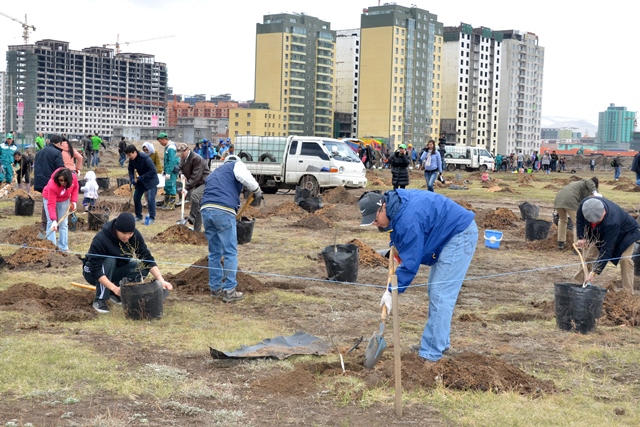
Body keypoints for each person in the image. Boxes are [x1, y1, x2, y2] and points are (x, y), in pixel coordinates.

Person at [358, 190, 478, 362]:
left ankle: (431, 353)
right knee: (435, 291)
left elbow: (411, 263)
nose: (375, 224)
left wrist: (392, 291)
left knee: (441, 293)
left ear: (382, 207)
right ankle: (438, 343)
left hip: (459, 234)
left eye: (375, 219)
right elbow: (401, 236)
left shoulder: (407, 218)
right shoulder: (395, 207)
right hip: (446, 235)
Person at [200, 155, 263, 302]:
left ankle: (215, 288)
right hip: (223, 210)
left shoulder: (214, 173)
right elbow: (244, 176)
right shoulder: (236, 165)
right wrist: (257, 189)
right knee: (230, 252)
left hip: (206, 210)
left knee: (214, 252)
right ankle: (229, 290)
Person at [83, 212, 173, 313]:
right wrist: (113, 287)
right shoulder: (101, 239)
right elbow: (95, 269)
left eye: (130, 233)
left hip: (115, 269)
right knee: (109, 260)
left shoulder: (134, 236)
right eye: (123, 233)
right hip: (92, 273)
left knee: (141, 267)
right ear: (116, 229)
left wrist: (161, 280)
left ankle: (115, 294)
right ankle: (100, 299)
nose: (127, 237)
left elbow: (146, 258)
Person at [574, 197, 640, 294]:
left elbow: (606, 249)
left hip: (626, 233)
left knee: (625, 260)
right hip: (602, 232)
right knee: (590, 257)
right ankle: (578, 284)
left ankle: (628, 293)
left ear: (604, 212)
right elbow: (579, 221)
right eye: (593, 221)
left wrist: (594, 273)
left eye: (597, 220)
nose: (595, 222)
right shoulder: (584, 206)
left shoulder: (612, 221)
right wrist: (581, 237)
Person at [554, 177, 600, 250]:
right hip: (570, 200)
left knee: (562, 220)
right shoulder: (587, 183)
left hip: (558, 199)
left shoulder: (577, 185)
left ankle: (561, 243)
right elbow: (588, 181)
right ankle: (578, 246)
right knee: (577, 223)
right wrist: (595, 192)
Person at [34, 134, 65, 235]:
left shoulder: (39, 152)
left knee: (46, 201)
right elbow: (60, 169)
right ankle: (53, 223)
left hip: (40, 180)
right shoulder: (56, 153)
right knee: (53, 202)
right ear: (59, 143)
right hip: (50, 182)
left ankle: (45, 223)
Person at [42, 167, 79, 252]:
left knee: (64, 223)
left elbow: (75, 188)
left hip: (64, 200)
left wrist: (74, 201)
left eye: (64, 181)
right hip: (49, 198)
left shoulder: (74, 179)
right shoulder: (52, 184)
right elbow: (51, 205)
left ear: (69, 180)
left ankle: (63, 247)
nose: (62, 183)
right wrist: (54, 220)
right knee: (51, 223)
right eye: (60, 180)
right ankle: (52, 247)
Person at [177, 142, 210, 232]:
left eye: (182, 153)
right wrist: (181, 174)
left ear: (187, 150)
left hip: (204, 182)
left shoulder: (196, 159)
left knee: (194, 195)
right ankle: (197, 230)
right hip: (195, 183)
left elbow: (196, 176)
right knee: (198, 207)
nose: (180, 156)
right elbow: (179, 167)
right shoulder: (183, 158)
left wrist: (186, 188)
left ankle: (192, 216)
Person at [125, 144, 159, 224]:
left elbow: (153, 170)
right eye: (128, 156)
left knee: (150, 199)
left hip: (151, 180)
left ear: (134, 152)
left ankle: (151, 218)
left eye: (130, 155)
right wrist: (132, 178)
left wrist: (143, 177)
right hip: (141, 180)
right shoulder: (132, 159)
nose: (129, 157)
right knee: (136, 197)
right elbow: (130, 168)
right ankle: (138, 216)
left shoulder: (145, 158)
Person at [157, 132, 179, 210]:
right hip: (169, 170)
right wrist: (165, 170)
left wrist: (168, 172)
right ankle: (166, 203)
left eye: (160, 141)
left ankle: (171, 204)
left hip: (172, 170)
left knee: (171, 185)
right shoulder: (167, 147)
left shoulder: (171, 148)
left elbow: (172, 161)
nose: (160, 143)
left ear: (164, 139)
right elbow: (167, 161)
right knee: (167, 186)